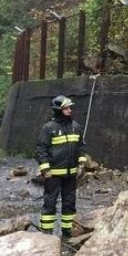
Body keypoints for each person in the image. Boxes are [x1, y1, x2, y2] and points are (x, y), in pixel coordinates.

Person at [35, 95, 86, 238]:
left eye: (70, 107)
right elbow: (41, 149)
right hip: (54, 174)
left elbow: (80, 147)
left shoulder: (76, 127)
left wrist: (81, 163)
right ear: (58, 110)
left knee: (70, 203)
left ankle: (68, 232)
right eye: (66, 108)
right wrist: (45, 169)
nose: (70, 110)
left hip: (71, 174)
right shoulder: (48, 128)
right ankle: (46, 233)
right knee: (50, 202)